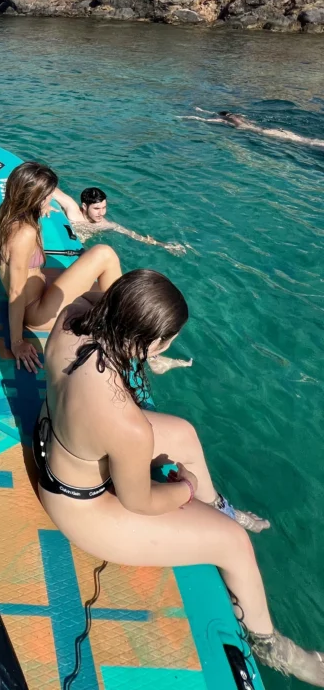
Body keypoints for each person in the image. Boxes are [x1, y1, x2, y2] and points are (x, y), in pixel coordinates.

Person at [35, 269, 323, 686]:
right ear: (150, 342)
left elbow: (93, 289)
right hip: (81, 509)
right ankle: (273, 646)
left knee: (183, 433)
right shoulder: (127, 424)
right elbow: (140, 501)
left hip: (54, 449)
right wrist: (185, 487)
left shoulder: (71, 319)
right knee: (233, 542)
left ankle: (221, 506)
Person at [0, 161, 122, 374]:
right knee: (104, 254)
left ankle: (117, 320)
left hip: (39, 293)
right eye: (47, 196)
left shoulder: (4, 214)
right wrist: (16, 342)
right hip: (36, 310)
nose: (51, 200)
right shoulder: (24, 233)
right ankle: (128, 336)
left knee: (105, 290)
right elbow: (16, 293)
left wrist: (39, 209)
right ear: (35, 198)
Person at [59, 186, 186, 256]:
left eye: (104, 207)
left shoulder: (105, 225)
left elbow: (133, 235)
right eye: (96, 208)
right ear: (85, 206)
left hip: (74, 248)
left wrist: (163, 245)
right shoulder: (73, 210)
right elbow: (50, 188)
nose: (101, 213)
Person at [186, 110, 324, 150]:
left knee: (301, 142)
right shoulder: (240, 117)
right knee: (304, 140)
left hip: (264, 133)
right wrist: (200, 109)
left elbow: (205, 120)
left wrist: (190, 116)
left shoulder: (227, 121)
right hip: (272, 128)